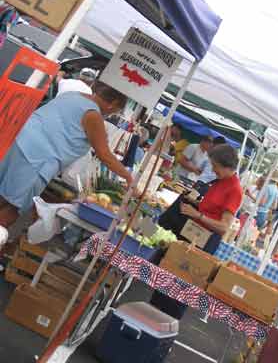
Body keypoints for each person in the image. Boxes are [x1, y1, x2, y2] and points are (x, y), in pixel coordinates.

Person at [0, 81, 133, 229]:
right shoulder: (93, 115)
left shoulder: (72, 95)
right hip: (38, 160)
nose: (112, 114)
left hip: (19, 142)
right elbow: (104, 155)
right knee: (11, 208)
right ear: (112, 103)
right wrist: (128, 177)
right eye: (117, 110)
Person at [152, 145, 242, 319]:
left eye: (215, 166)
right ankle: (152, 316)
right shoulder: (220, 181)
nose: (213, 169)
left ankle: (166, 326)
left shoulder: (234, 190)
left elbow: (224, 227)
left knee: (181, 289)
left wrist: (198, 215)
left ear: (226, 166)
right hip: (192, 236)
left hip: (203, 244)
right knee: (168, 279)